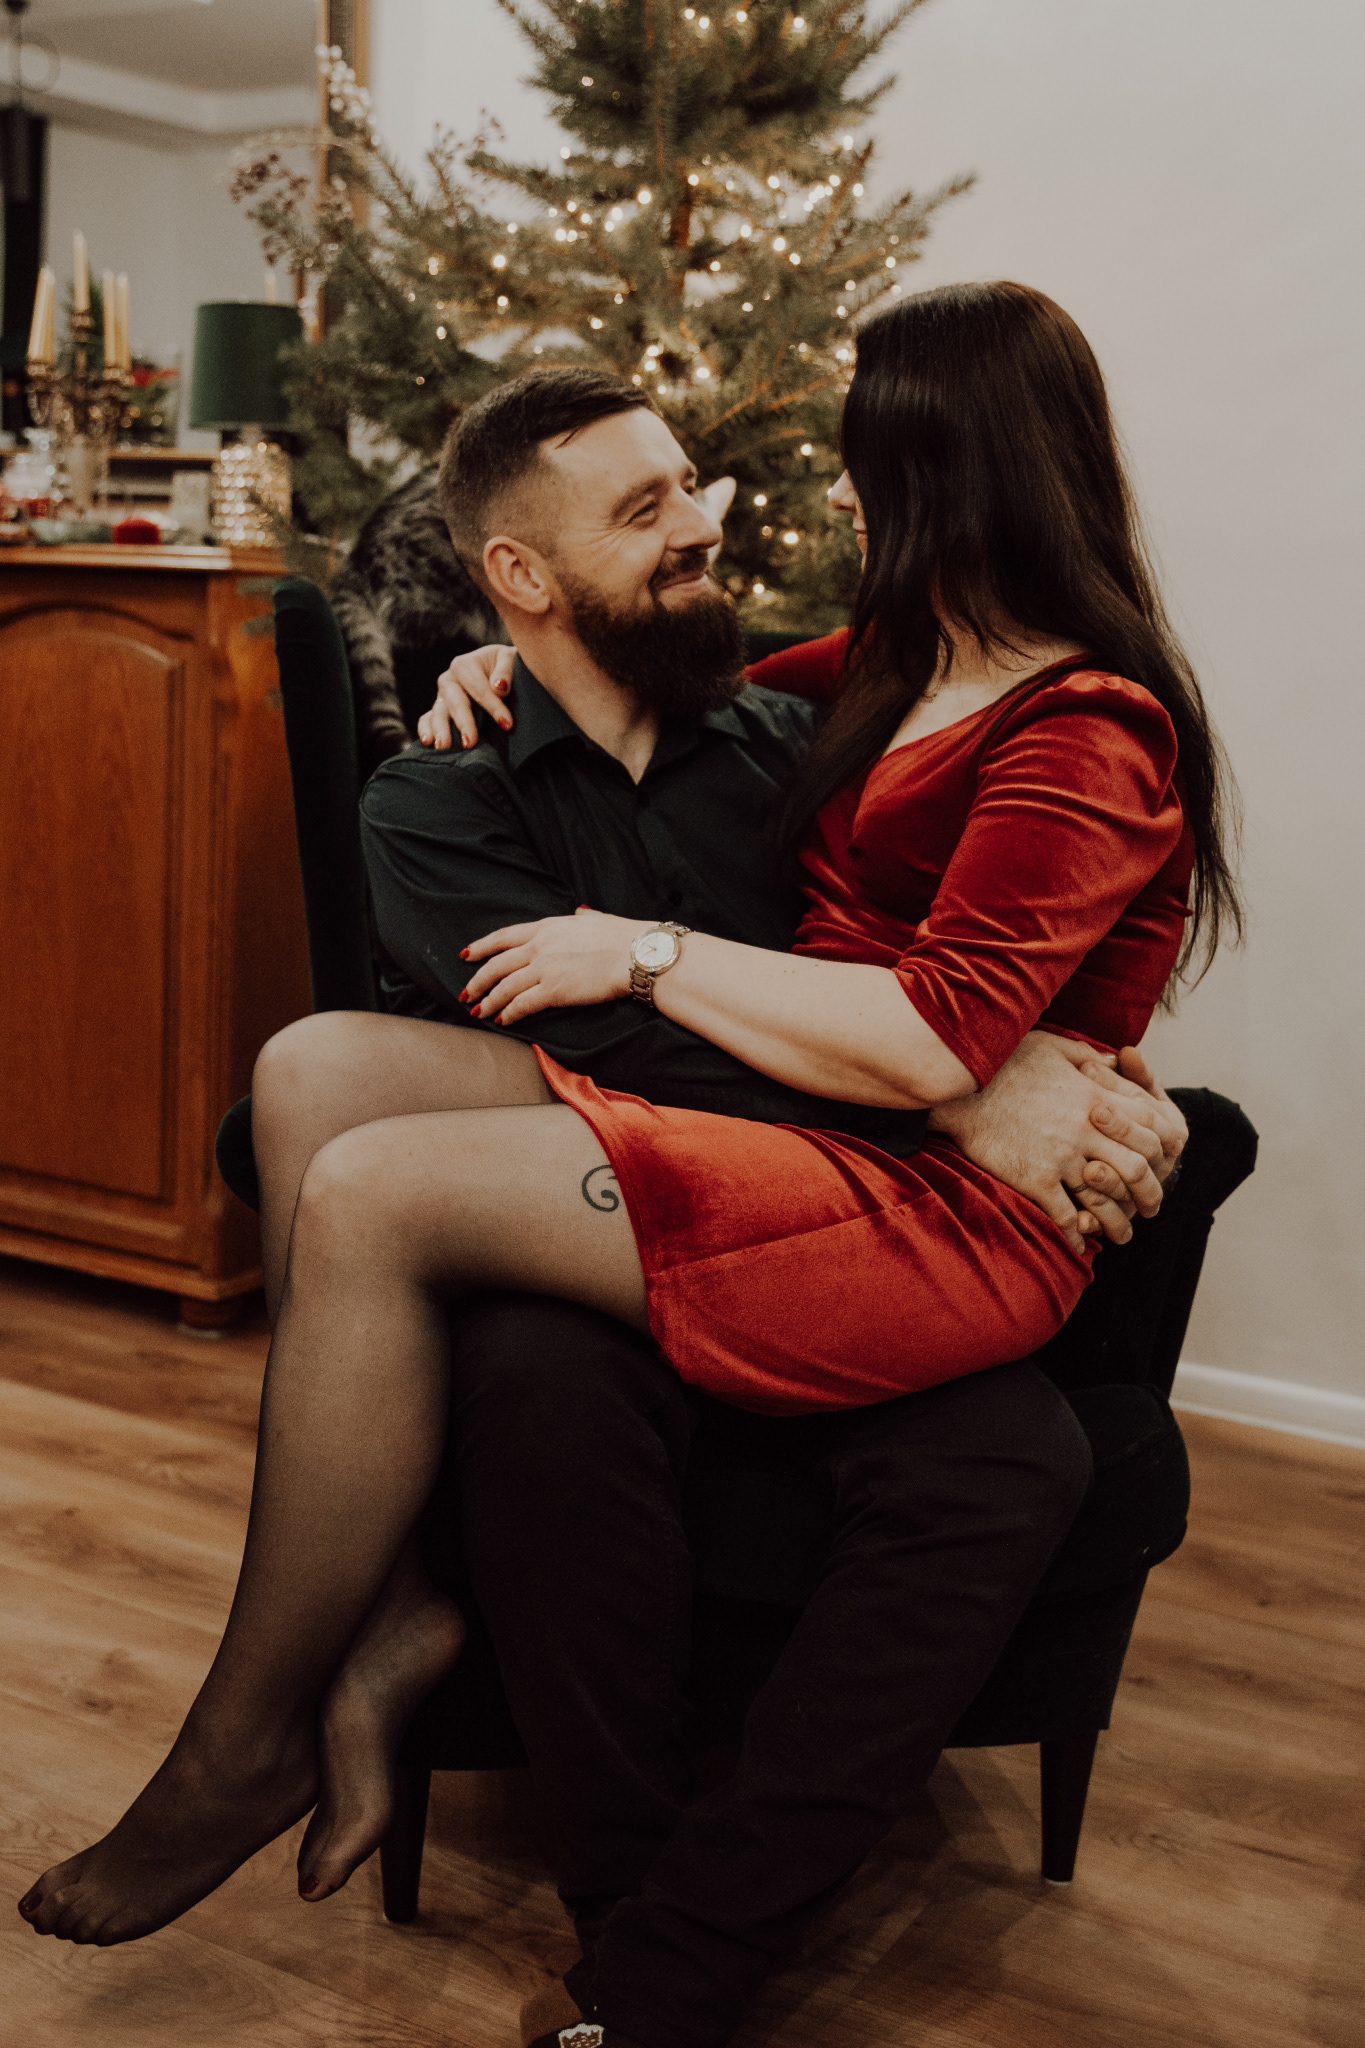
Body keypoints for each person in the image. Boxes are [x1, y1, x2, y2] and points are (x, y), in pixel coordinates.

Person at [19, 286, 1235, 2048]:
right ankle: (388, 1611)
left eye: (853, 459)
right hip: (855, 1128)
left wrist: (650, 953)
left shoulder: (1081, 724)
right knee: (316, 1071)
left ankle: (250, 1731)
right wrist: (495, 666)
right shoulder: (876, 672)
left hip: (926, 1206)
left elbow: (934, 1034)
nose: (756, 509)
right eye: (652, 503)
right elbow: (708, 703)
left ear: (937, 469)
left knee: (372, 1191)